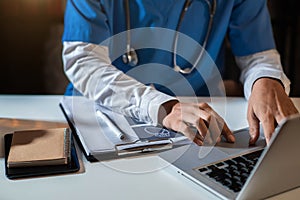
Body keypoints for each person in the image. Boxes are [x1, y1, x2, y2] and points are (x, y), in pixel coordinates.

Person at [62, 0, 298, 146]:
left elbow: (257, 56)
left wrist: (265, 79)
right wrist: (164, 107)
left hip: (199, 122)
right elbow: (83, 61)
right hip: (103, 114)